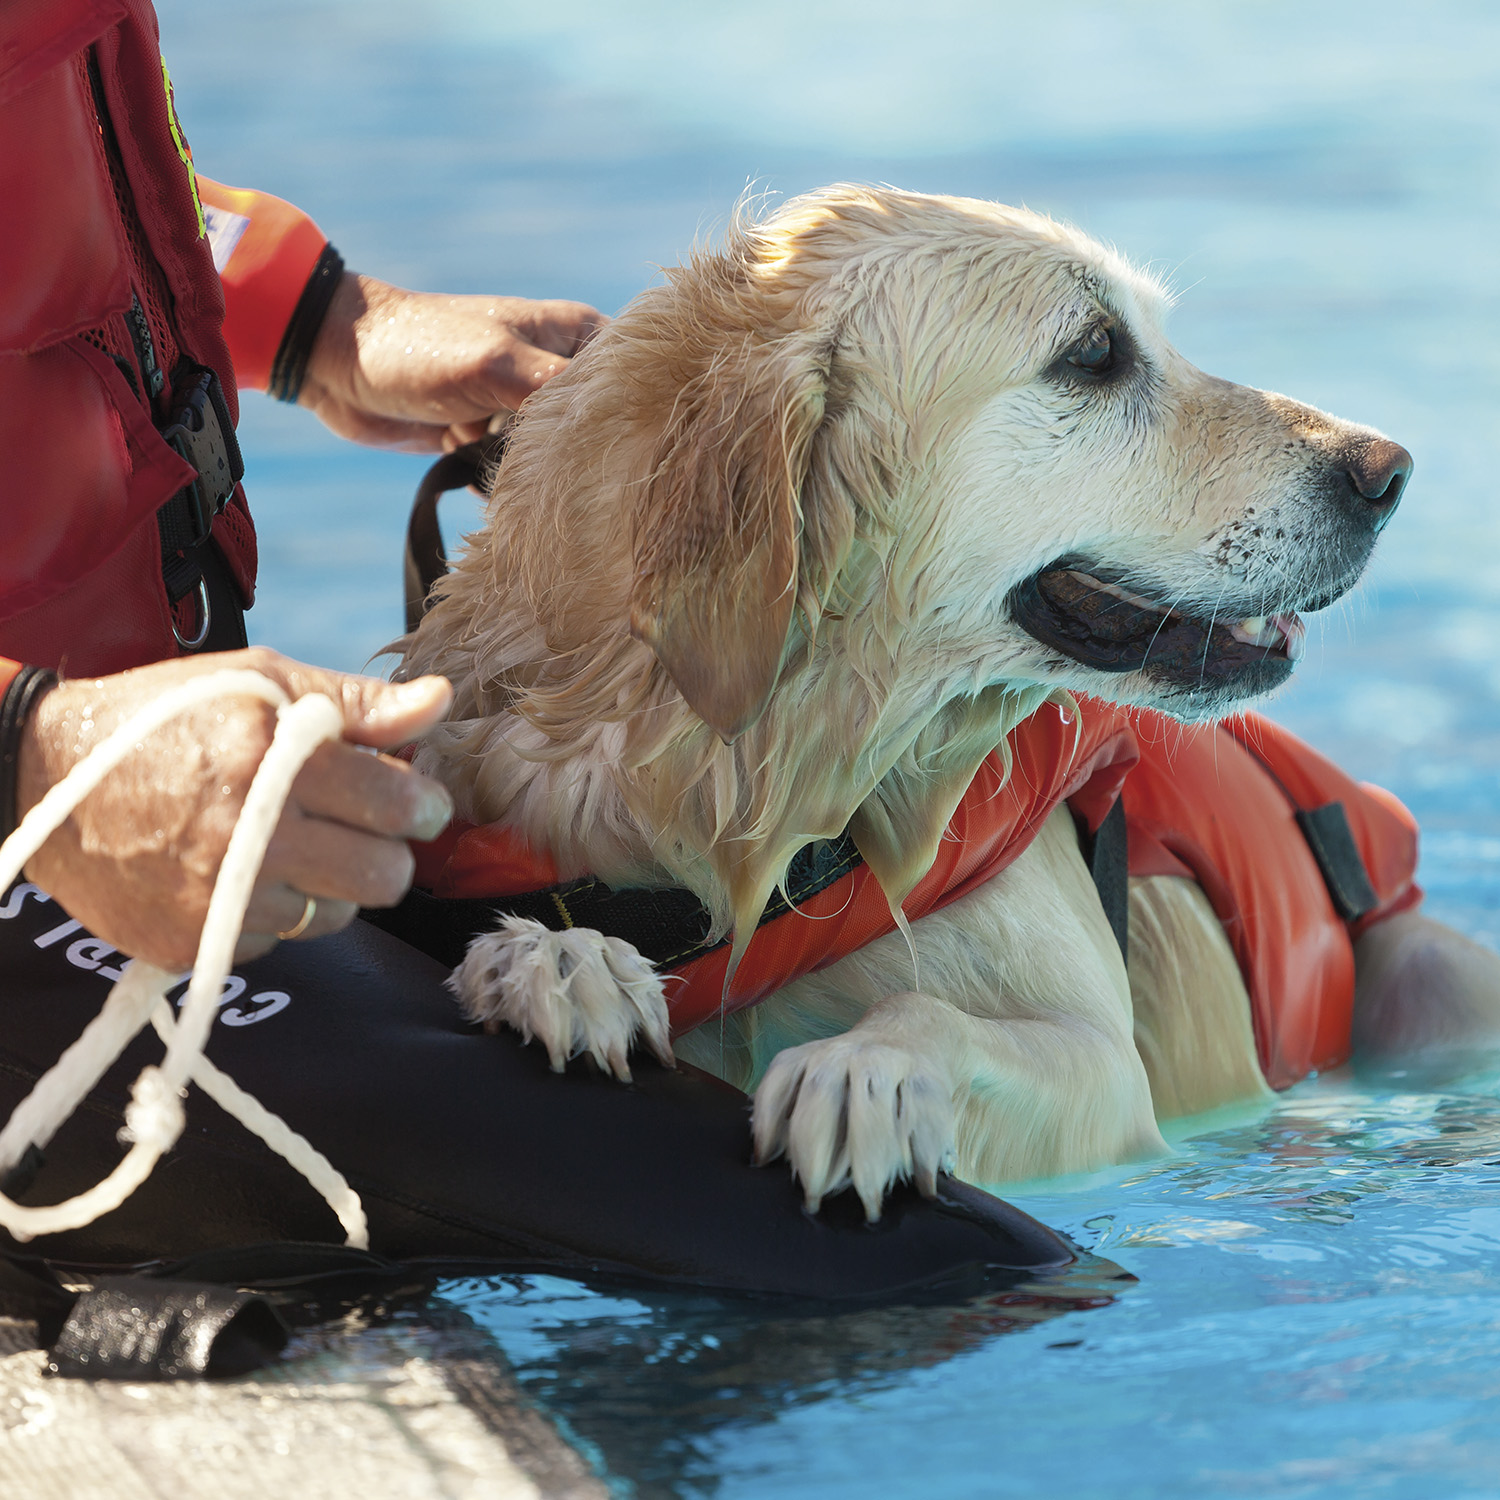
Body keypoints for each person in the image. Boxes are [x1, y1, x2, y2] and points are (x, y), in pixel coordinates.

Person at [0, 0, 604, 971]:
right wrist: (41, 761)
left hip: (136, 766)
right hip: (52, 824)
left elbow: (50, 144)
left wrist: (321, 319)